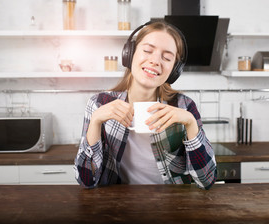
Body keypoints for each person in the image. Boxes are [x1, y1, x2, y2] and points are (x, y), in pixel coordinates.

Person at [74, 21, 216, 189]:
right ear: (130, 54)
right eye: (148, 51)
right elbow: (86, 180)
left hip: (174, 208)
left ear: (174, 70)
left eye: (167, 58)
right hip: (117, 207)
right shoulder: (99, 104)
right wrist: (96, 121)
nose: (155, 61)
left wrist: (191, 124)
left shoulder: (184, 106)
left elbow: (206, 181)